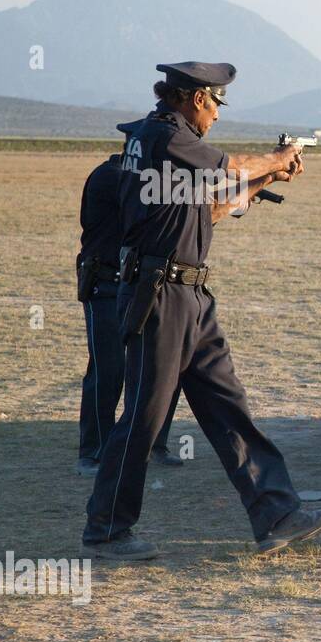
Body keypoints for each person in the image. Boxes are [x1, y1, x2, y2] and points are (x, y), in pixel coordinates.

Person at [83, 61, 321, 560]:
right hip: (163, 294)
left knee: (227, 405)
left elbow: (211, 210)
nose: (218, 115)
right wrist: (275, 156)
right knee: (143, 417)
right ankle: (107, 531)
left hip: (190, 295)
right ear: (197, 98)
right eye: (217, 104)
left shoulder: (163, 146)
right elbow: (228, 167)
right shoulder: (165, 135)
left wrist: (268, 178)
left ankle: (276, 513)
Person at [76, 153, 182, 476]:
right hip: (104, 284)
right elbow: (152, 208)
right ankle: (93, 453)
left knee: (163, 365)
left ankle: (152, 444)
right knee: (109, 369)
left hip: (138, 284)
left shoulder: (138, 177)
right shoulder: (113, 176)